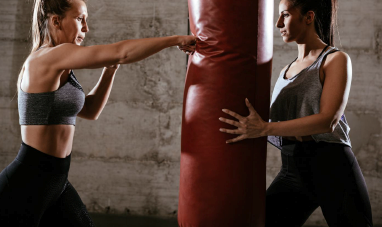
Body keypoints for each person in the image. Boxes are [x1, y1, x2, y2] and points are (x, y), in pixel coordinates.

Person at [0, 0, 196, 226]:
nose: (86, 28)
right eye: (79, 19)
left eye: (86, 20)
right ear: (56, 21)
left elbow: (90, 110)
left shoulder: (61, 64)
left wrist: (109, 71)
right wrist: (175, 39)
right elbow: (121, 52)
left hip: (56, 181)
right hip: (27, 182)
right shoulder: (47, 58)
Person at [219, 0, 373, 226]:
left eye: (285, 15)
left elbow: (327, 121)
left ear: (308, 17)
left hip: (332, 166)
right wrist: (205, 50)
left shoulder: (335, 59)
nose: (277, 23)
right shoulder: (285, 70)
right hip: (293, 167)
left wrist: (264, 128)